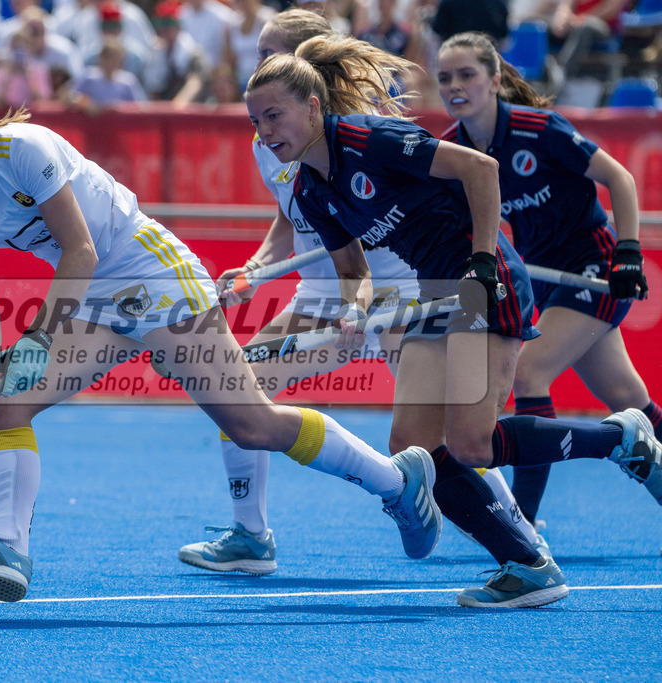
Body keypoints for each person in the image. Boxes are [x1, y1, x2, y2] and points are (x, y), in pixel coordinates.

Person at [0, 54, 446, 603]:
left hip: (154, 274)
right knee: (5, 404)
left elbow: (80, 250)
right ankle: (8, 551)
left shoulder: (22, 149)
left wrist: (38, 337)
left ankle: (397, 484)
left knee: (251, 423)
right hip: (96, 300)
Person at [245, 33, 661, 607]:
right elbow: (353, 273)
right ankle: (528, 563)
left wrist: (484, 261)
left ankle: (619, 440)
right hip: (433, 293)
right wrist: (352, 311)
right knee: (415, 449)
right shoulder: (314, 193)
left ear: (313, 107)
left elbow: (482, 171)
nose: (265, 132)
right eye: (256, 121)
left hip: (480, 283)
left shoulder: (373, 138)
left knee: (472, 444)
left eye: (274, 116)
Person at [179, 8, 538, 577]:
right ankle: (251, 535)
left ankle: (517, 527)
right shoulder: (271, 137)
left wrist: (468, 265)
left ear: (308, 73)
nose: (260, 63)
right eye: (257, 54)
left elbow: (463, 181)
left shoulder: (360, 131)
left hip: (404, 291)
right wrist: (255, 267)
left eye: (273, 53)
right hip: (328, 294)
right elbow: (291, 216)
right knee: (236, 391)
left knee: (451, 434)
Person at [435, 30, 659, 529]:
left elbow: (619, 178)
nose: (455, 85)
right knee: (627, 397)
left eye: (467, 74)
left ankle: (524, 523)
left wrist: (628, 253)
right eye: (445, 77)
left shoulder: (540, 129)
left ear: (494, 81)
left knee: (529, 373)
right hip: (546, 280)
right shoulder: (454, 151)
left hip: (595, 267)